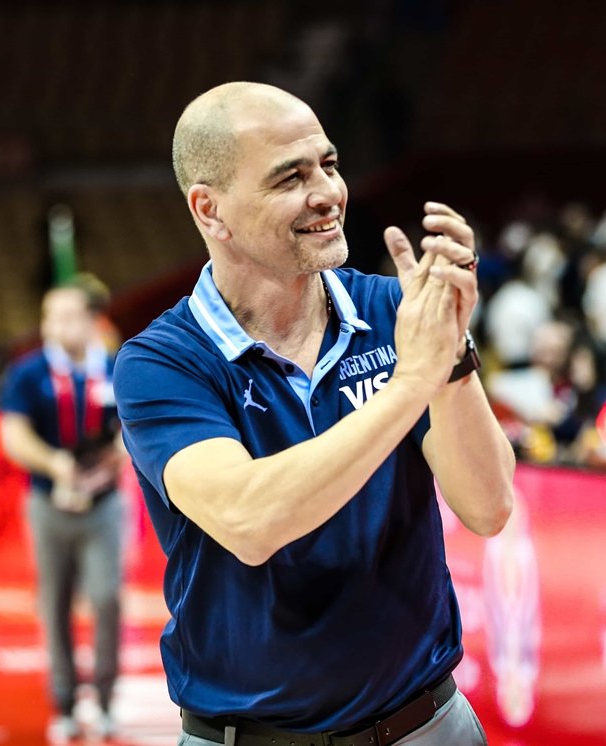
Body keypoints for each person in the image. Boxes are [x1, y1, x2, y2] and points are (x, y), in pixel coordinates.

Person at [114, 81, 515, 746]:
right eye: (290, 177)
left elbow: (489, 507)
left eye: (329, 164)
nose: (328, 192)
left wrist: (448, 361)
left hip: (427, 723)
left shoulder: (395, 312)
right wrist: (409, 384)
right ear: (210, 210)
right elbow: (249, 520)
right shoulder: (162, 361)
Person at [0, 284, 124, 744]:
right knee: (55, 603)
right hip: (48, 503)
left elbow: (133, 427)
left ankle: (106, 699)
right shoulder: (27, 373)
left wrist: (110, 463)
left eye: (70, 316)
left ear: (91, 321)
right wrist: (56, 465)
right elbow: (13, 436)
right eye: (51, 317)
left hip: (104, 504)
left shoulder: (114, 367)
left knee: (107, 597)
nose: (58, 326)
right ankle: (66, 701)